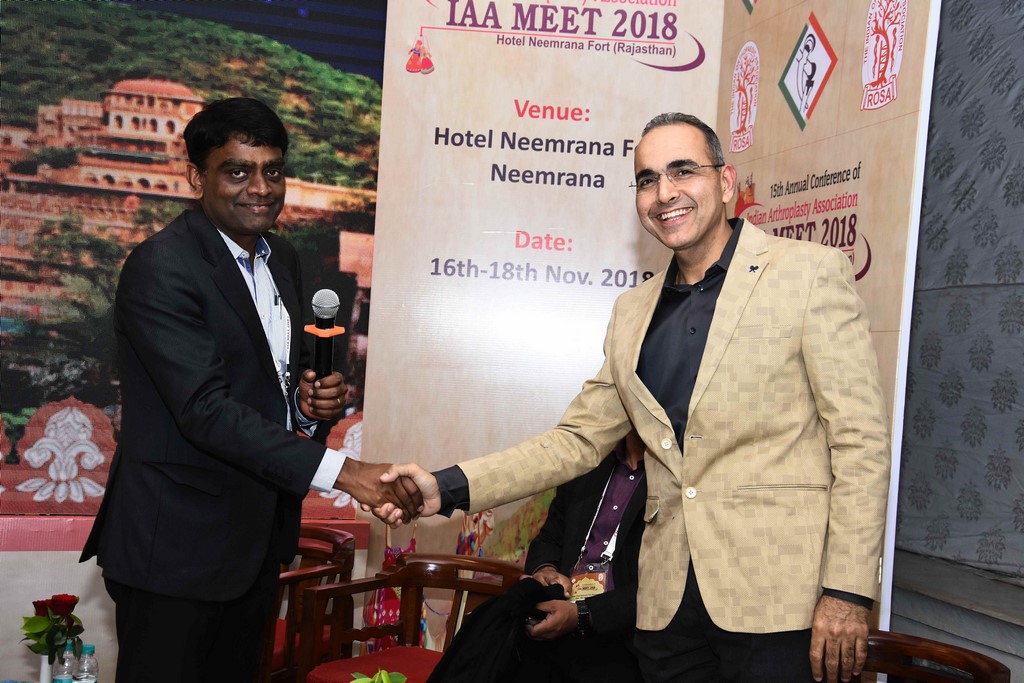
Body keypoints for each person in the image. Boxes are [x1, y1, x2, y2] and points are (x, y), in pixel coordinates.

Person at [376, 112, 891, 683]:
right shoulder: (632, 312)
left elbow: (860, 443)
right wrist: (445, 487)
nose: (664, 192)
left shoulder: (808, 274)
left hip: (777, 603)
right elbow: (574, 442)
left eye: (683, 171)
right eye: (648, 179)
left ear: (725, 182)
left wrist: (847, 593)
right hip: (665, 611)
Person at [80, 97, 420, 681]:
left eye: (273, 170)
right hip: (175, 549)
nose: (261, 188)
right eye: (237, 171)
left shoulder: (281, 258)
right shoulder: (162, 266)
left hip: (254, 545)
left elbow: (269, 387)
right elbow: (204, 410)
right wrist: (345, 472)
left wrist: (309, 408)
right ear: (197, 177)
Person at [515, 430, 646, 683]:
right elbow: (550, 537)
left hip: (627, 640)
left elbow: (668, 586)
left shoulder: (680, 480)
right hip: (558, 623)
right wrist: (546, 570)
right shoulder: (587, 462)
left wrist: (584, 615)